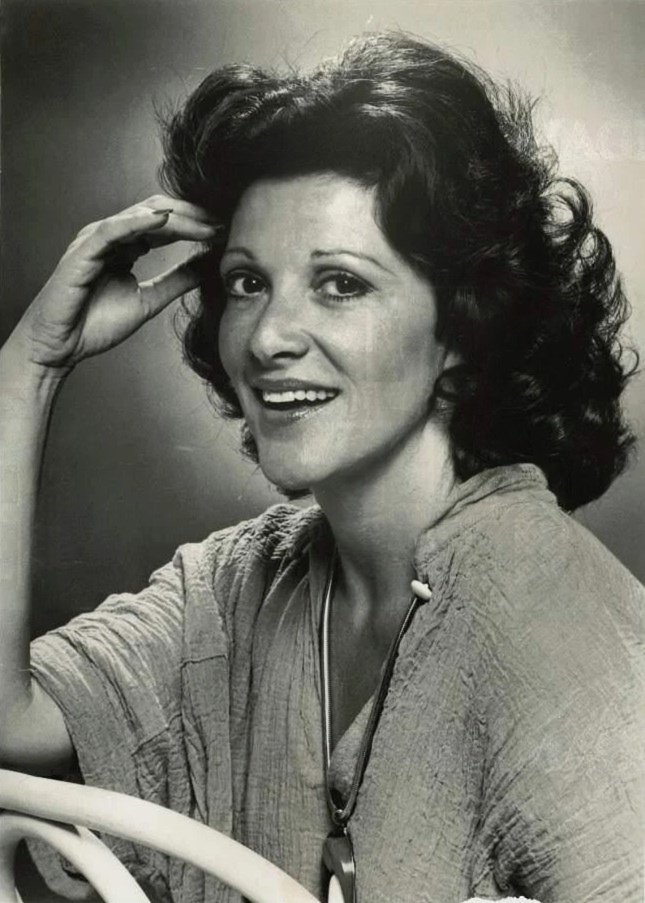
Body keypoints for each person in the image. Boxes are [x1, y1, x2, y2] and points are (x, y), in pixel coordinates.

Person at [0, 31, 642, 903]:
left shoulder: (560, 623)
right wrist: (31, 365)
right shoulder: (238, 587)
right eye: (247, 282)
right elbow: (11, 723)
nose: (268, 336)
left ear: (463, 326)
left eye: (340, 283)